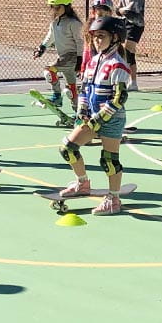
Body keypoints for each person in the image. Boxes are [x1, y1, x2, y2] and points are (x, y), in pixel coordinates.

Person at [55, 16, 134, 215]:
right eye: (94, 37)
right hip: (90, 117)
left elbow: (119, 97)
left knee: (109, 159)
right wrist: (82, 110)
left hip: (110, 119)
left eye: (101, 36)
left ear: (115, 37)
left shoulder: (118, 64)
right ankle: (83, 183)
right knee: (68, 148)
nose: (97, 40)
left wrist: (99, 118)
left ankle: (114, 198)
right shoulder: (93, 62)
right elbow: (84, 89)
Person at [33, 0, 83, 109]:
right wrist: (41, 49)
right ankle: (79, 114)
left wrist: (80, 60)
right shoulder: (55, 23)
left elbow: (80, 42)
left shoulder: (74, 23)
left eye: (57, 7)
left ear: (67, 6)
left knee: (49, 71)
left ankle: (56, 97)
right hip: (62, 57)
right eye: (53, 7)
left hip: (72, 57)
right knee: (71, 90)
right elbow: (50, 37)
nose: (54, 10)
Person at [112, 0, 146, 91]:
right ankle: (131, 81)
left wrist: (121, 10)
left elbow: (131, 9)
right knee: (128, 53)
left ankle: (129, 81)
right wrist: (120, 10)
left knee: (127, 51)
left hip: (136, 24)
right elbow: (119, 8)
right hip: (126, 23)